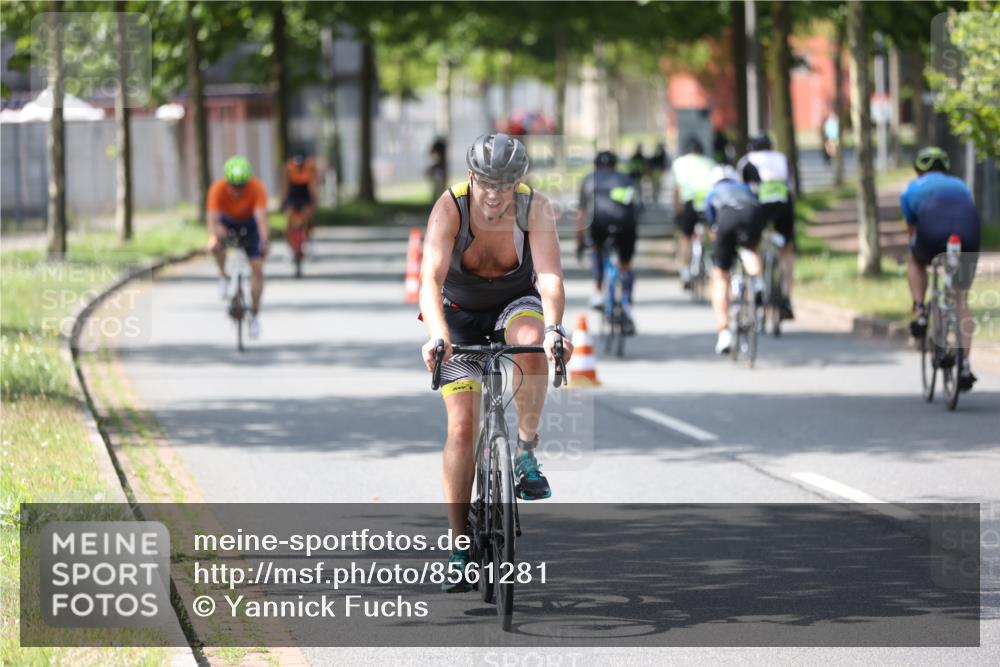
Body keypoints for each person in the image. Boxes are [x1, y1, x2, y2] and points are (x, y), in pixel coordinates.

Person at [418, 133, 574, 591]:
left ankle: (525, 450)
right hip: (459, 317)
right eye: (486, 182)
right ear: (471, 178)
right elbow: (429, 276)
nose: (494, 193)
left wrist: (555, 329)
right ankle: (460, 544)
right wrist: (438, 338)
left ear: (518, 183)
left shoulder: (534, 208)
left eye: (505, 184)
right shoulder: (450, 207)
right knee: (462, 428)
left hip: (515, 302)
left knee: (532, 343)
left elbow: (549, 275)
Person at [903, 146, 981, 391]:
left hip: (932, 231)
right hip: (966, 232)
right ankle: (965, 364)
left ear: (918, 169)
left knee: (914, 259)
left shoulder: (911, 189)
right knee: (961, 300)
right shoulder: (961, 185)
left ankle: (920, 309)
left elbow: (913, 232)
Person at [576, 150, 641, 334]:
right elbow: (636, 208)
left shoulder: (589, 179)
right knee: (626, 264)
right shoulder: (625, 178)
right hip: (626, 224)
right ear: (615, 165)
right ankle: (627, 303)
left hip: (599, 223)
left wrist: (580, 242)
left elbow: (580, 215)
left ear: (596, 165)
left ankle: (598, 292)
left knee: (595, 248)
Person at [207, 156, 270, 339]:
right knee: (216, 242)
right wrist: (213, 237)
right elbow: (212, 217)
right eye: (233, 186)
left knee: (258, 270)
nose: (237, 190)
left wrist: (264, 240)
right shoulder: (217, 189)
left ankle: (255, 315)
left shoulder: (257, 188)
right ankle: (223, 276)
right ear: (227, 181)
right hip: (227, 223)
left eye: (241, 186)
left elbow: (261, 218)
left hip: (250, 224)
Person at [705, 165, 764, 354]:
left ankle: (723, 333)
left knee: (721, 275)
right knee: (750, 249)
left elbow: (712, 224)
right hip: (751, 214)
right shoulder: (744, 188)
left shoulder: (713, 192)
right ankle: (758, 283)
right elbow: (757, 203)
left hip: (727, 219)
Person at [737, 133, 796, 320]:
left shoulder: (746, 161)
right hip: (783, 204)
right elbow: (791, 188)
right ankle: (786, 297)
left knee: (751, 246)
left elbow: (741, 192)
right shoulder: (782, 159)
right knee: (785, 250)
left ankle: (760, 286)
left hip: (759, 206)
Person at [672, 136, 718, 290]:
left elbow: (677, 189)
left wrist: (677, 210)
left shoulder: (679, 163)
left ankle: (685, 272)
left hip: (690, 203)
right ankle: (714, 262)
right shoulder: (710, 162)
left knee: (685, 237)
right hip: (708, 202)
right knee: (713, 232)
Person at [281, 150, 317, 267]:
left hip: (305, 195)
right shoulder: (289, 168)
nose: (299, 166)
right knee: (289, 220)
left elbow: (312, 186)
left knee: (307, 217)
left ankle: (308, 241)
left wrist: (313, 202)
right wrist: (283, 202)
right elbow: (285, 186)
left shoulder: (310, 168)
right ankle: (289, 247)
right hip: (293, 195)